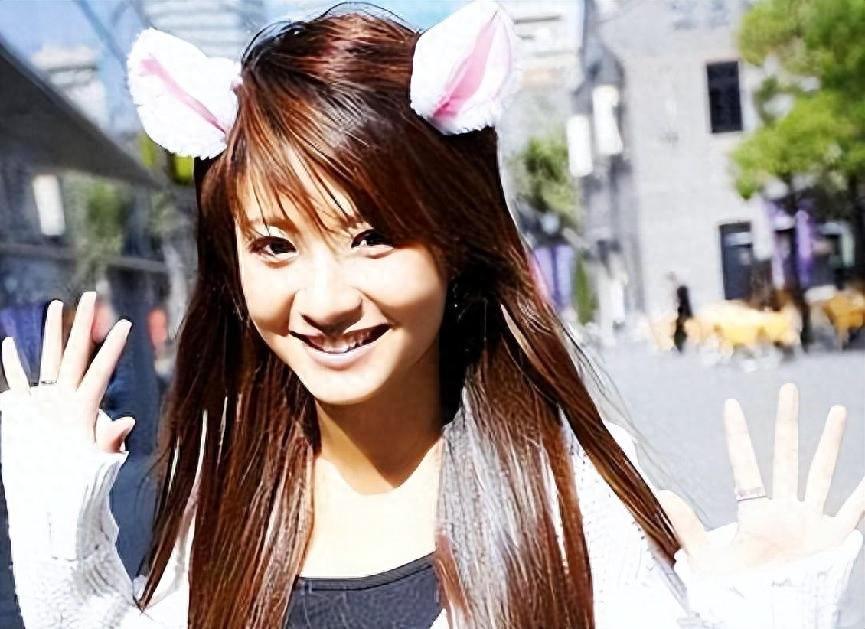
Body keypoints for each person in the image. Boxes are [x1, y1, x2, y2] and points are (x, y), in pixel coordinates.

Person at [1, 2, 863, 628]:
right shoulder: (230, 498)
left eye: (372, 237)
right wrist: (56, 527)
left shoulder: (566, 499)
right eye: (274, 245)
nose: (326, 299)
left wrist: (771, 611)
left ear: (454, 242)